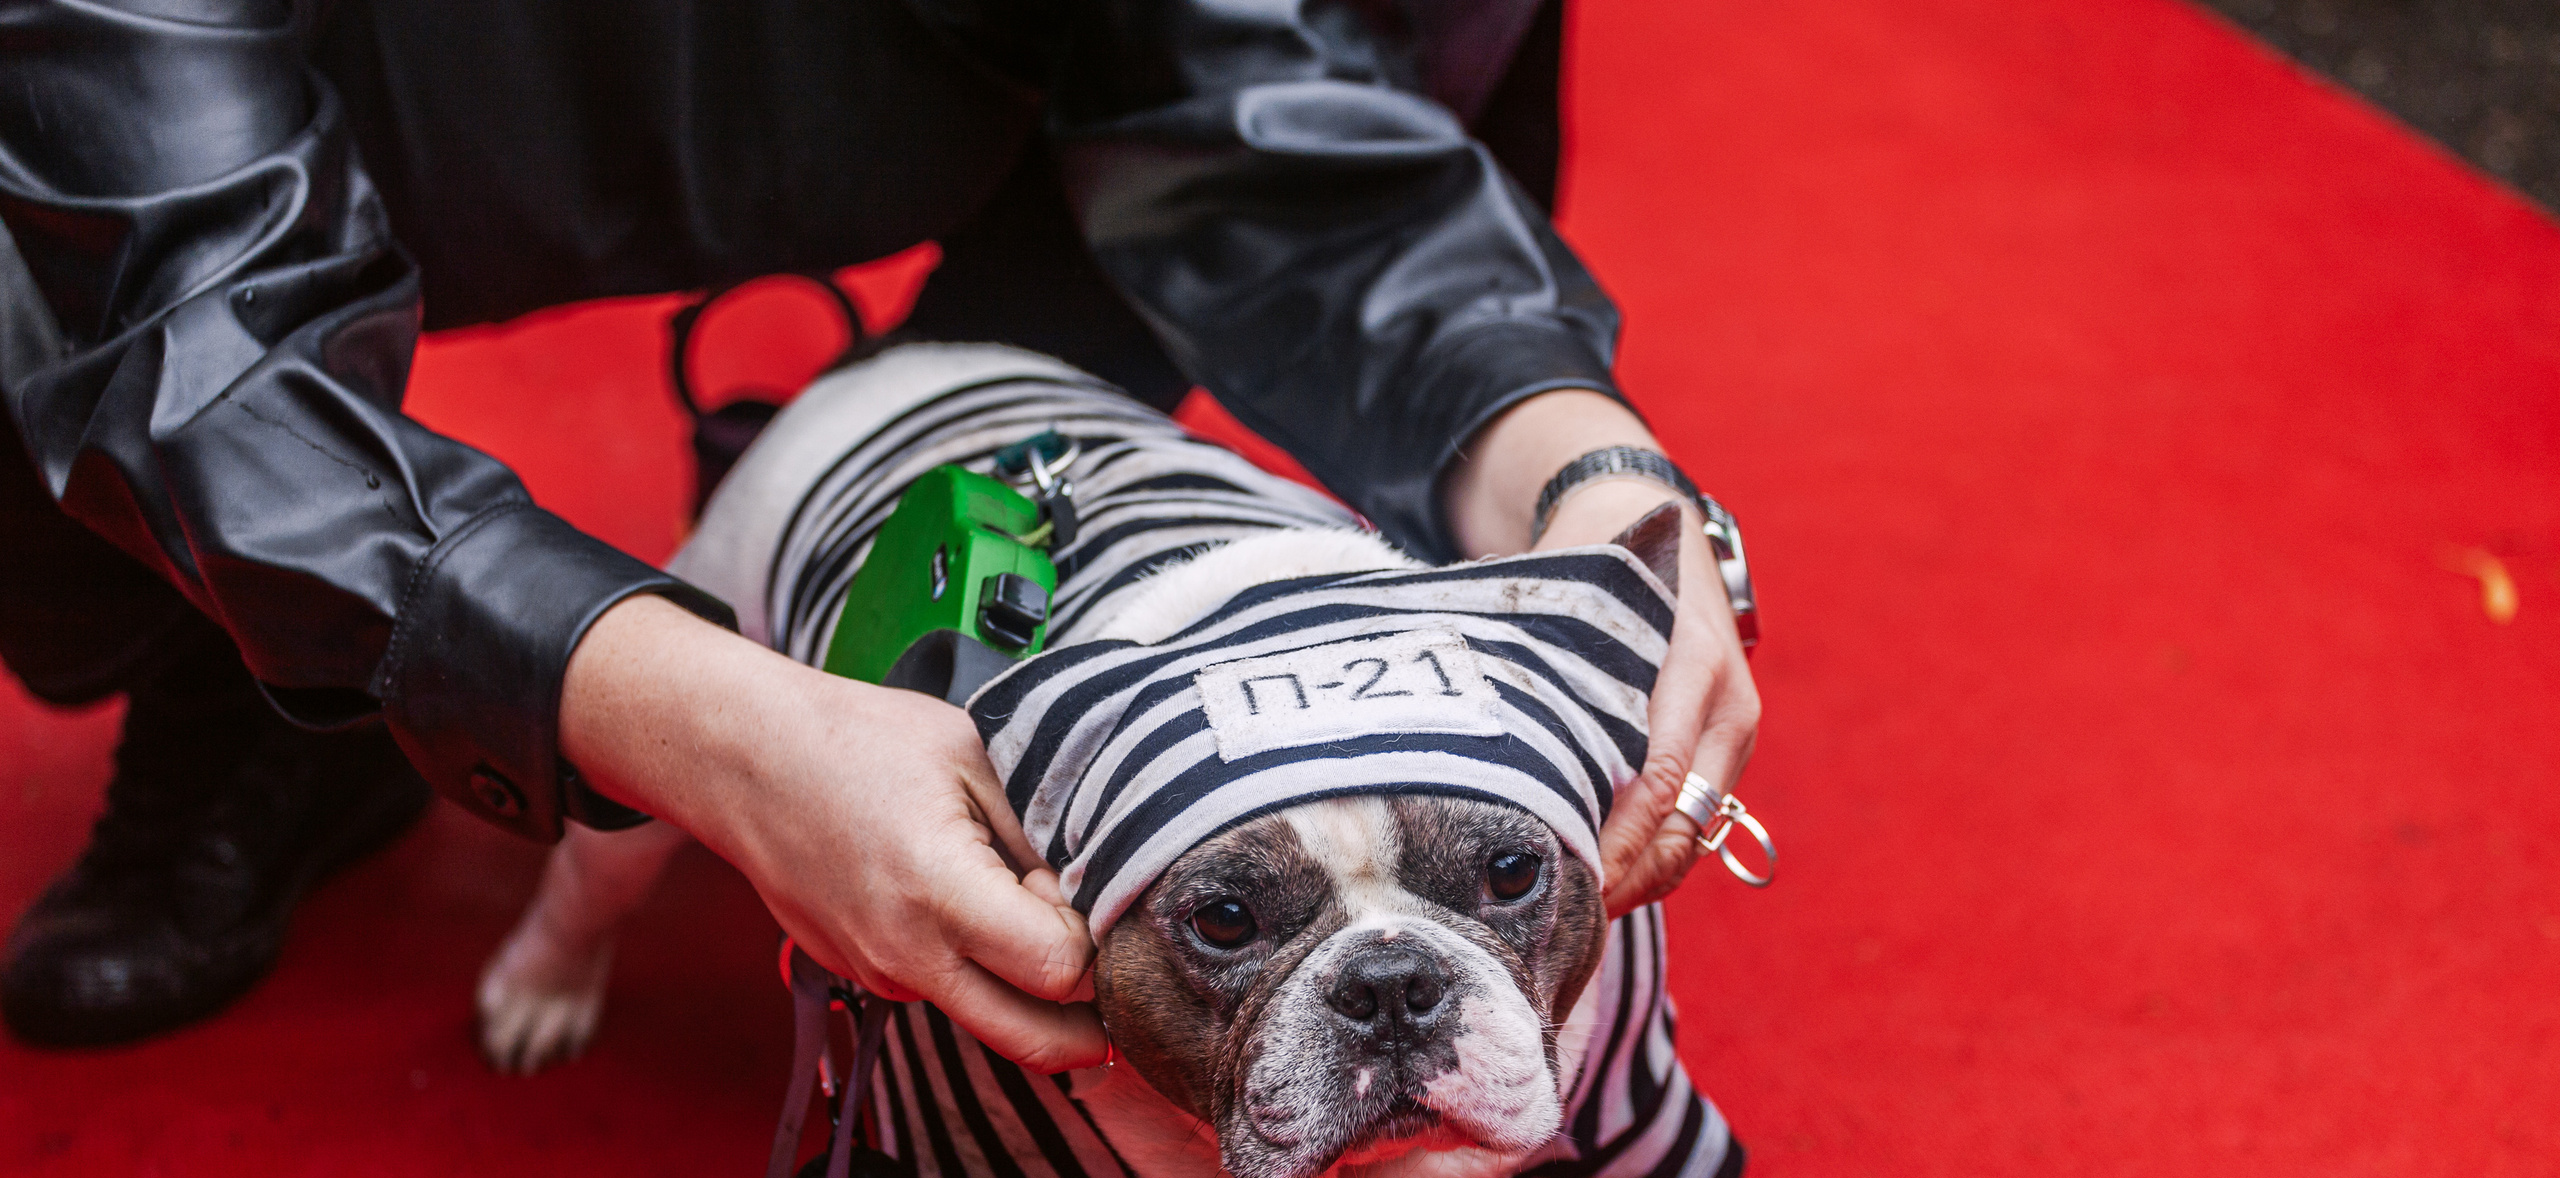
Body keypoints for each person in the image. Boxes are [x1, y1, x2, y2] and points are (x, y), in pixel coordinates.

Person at [0, 0, 1758, 1063]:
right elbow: (179, 312)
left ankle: (980, 508)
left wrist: (1579, 472)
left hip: (934, 89)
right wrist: (707, 730)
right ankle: (266, 668)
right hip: (342, 103)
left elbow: (1261, 97)